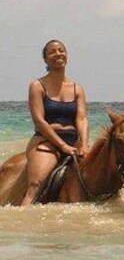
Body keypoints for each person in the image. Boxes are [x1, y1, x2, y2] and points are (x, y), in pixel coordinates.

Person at [21, 39, 89, 205]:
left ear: (67, 56)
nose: (58, 54)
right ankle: (24, 218)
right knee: (35, 185)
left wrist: (85, 144)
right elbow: (39, 121)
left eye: (61, 50)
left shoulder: (77, 88)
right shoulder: (37, 86)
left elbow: (81, 118)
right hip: (46, 141)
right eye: (52, 52)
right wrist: (62, 146)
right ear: (45, 60)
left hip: (74, 141)